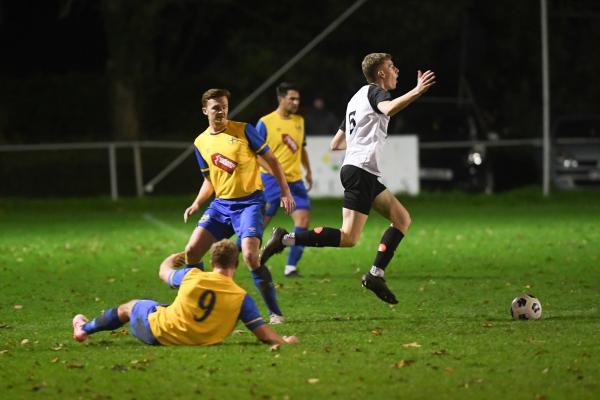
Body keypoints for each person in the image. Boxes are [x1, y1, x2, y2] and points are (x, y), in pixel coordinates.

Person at [261, 53, 436, 304]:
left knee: (402, 219)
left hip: (361, 170)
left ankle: (376, 274)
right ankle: (285, 239)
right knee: (348, 237)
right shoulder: (377, 93)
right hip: (361, 171)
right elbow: (389, 108)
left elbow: (336, 143)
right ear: (381, 73)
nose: (397, 70)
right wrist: (417, 90)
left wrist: (360, 144)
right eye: (392, 67)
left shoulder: (357, 98)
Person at [183, 88, 295, 324]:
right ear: (205, 111)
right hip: (221, 205)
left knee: (251, 256)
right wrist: (196, 204)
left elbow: (272, 161)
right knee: (192, 251)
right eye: (216, 107)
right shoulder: (200, 142)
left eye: (224, 106)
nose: (221, 111)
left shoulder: (244, 130)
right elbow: (209, 181)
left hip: (250, 203)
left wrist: (285, 191)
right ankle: (198, 304)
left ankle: (275, 313)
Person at [72, 240, 298, 346]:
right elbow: (265, 335)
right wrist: (285, 341)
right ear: (236, 264)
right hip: (198, 341)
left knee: (130, 307)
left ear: (211, 261)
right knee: (157, 306)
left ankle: (85, 329)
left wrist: (170, 259)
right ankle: (86, 329)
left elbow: (163, 273)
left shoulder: (192, 276)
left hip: (159, 334)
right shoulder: (241, 297)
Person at [255, 82, 313, 277]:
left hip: (296, 181)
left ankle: (291, 267)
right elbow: (255, 155)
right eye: (292, 99)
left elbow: (301, 148)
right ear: (281, 99)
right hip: (272, 181)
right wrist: (271, 171)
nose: (296, 102)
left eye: (297, 99)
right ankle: (241, 250)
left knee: (303, 221)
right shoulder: (265, 122)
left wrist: (309, 171)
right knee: (261, 221)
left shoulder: (299, 121)